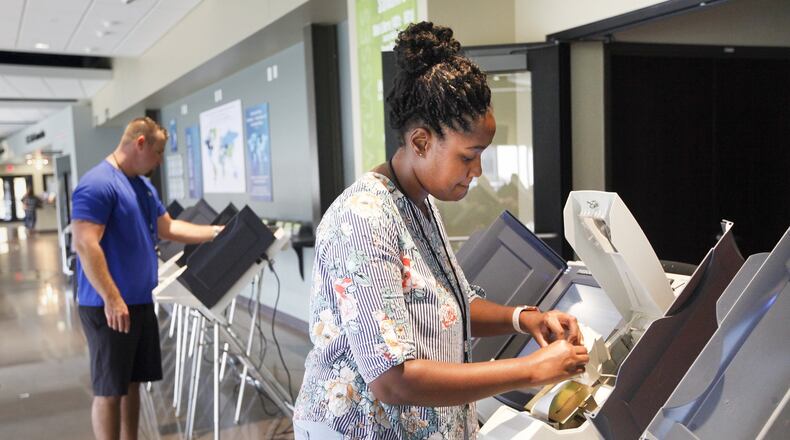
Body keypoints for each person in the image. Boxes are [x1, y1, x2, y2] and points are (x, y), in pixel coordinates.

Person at [293, 22, 588, 440]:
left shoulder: (418, 203)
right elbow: (393, 380)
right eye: (469, 156)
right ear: (420, 142)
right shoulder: (363, 219)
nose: (478, 172)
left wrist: (525, 320)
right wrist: (532, 369)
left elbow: (450, 305)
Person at [71, 117, 222, 440]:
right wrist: (112, 298)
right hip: (108, 305)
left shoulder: (141, 185)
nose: (159, 160)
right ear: (140, 143)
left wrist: (216, 233)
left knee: (133, 382)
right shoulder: (98, 183)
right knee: (110, 389)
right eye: (158, 152)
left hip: (138, 301)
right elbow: (84, 243)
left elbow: (168, 228)